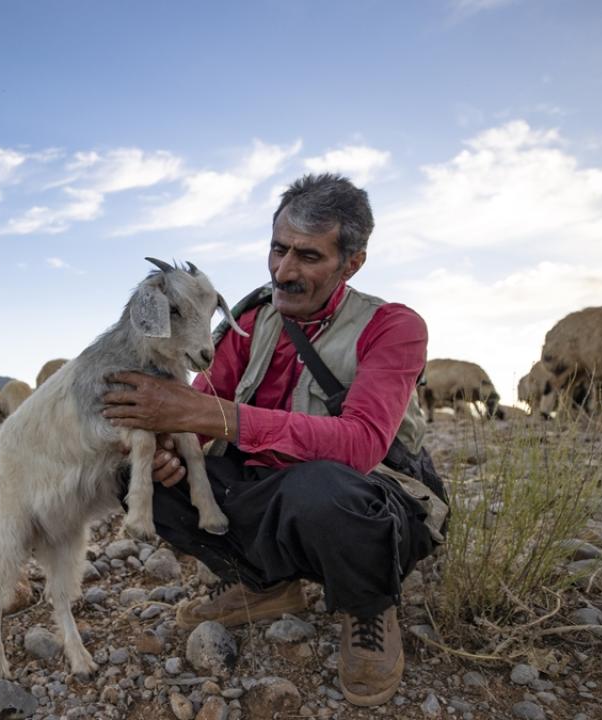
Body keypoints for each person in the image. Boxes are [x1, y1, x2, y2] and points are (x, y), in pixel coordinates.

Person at [101, 173, 448, 707]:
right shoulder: (250, 319)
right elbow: (196, 413)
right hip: (270, 485)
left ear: (351, 263)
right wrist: (168, 447)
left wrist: (212, 415)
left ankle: (368, 606)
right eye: (277, 249)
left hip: (370, 494)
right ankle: (265, 585)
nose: (284, 271)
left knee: (324, 487)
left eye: (307, 257)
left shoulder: (393, 326)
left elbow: (360, 448)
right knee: (132, 472)